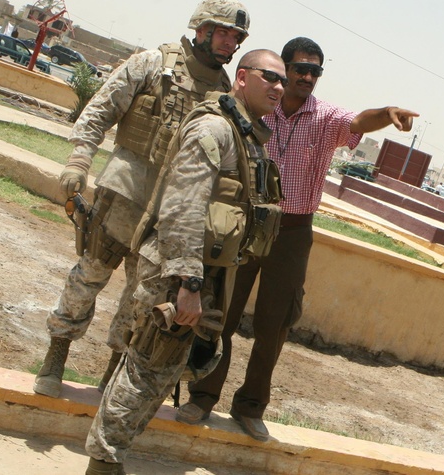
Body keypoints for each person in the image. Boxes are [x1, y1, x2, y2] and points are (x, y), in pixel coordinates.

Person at [176, 36, 418, 440]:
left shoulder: (324, 118)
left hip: (292, 233)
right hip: (245, 225)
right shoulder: (256, 108)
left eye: (315, 71)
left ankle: (251, 407)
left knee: (276, 324)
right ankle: (202, 397)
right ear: (283, 69)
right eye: (300, 68)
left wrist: (387, 113)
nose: (307, 76)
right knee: (224, 313)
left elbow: (358, 122)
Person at [34, 0, 249, 399]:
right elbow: (100, 110)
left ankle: (111, 380)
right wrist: (79, 160)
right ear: (201, 28)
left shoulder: (224, 94)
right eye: (223, 33)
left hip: (167, 218)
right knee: (88, 278)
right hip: (124, 196)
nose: (229, 43)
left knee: (140, 301)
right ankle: (55, 356)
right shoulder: (154, 63)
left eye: (236, 37)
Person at [84, 49, 286, 475]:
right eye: (270, 77)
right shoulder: (214, 129)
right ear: (242, 78)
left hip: (201, 272)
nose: (279, 87)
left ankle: (109, 460)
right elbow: (183, 206)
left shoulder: (242, 134)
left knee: (160, 371)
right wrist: (188, 286)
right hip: (177, 273)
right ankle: (102, 464)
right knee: (145, 369)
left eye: (282, 81)